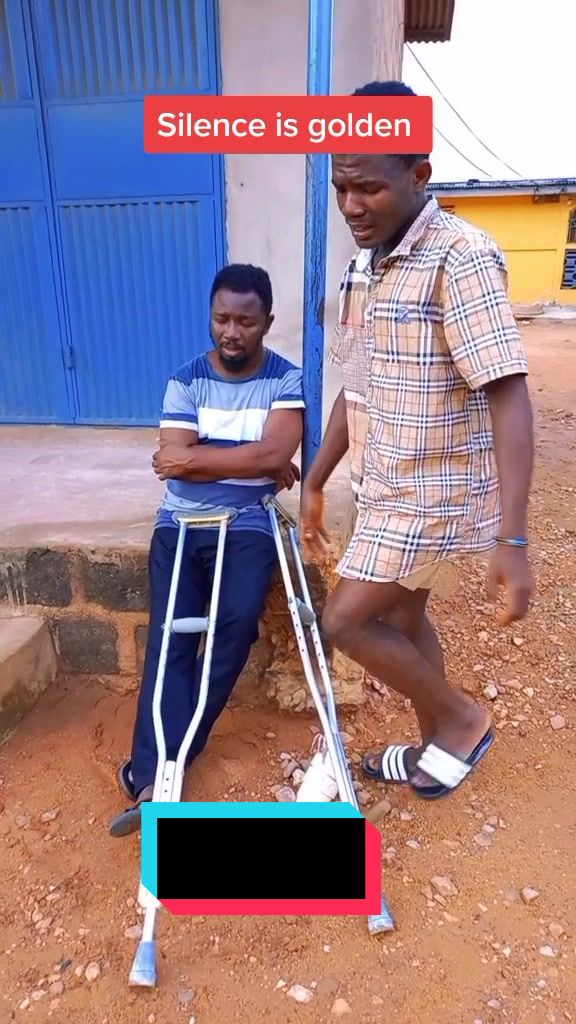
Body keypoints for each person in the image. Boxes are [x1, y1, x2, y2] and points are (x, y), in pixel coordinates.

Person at [300, 81, 534, 800]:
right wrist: (316, 480)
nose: (351, 206)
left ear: (419, 175)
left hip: (436, 494)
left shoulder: (462, 258)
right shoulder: (360, 267)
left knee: (344, 620)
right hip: (384, 486)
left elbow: (508, 391)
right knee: (401, 616)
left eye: (368, 187)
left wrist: (514, 539)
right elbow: (358, 386)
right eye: (341, 188)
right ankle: (437, 744)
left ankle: (461, 720)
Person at [109, 263, 305, 836]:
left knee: (236, 625)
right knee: (169, 639)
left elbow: (268, 456)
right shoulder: (185, 380)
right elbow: (183, 461)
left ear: (267, 321)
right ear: (211, 317)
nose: (232, 332)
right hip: (180, 523)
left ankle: (173, 754)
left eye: (246, 321)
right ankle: (151, 782)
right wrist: (252, 458)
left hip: (247, 523)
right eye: (222, 319)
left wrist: (198, 457)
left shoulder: (286, 379)